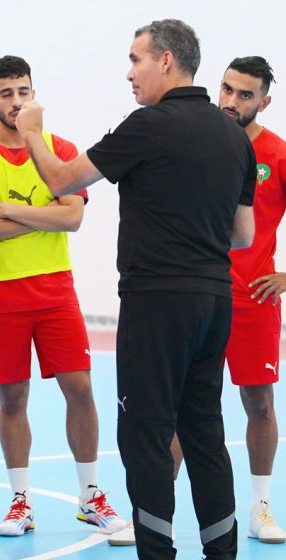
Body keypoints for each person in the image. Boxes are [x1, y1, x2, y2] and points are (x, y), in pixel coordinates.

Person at [15, 19, 256, 560]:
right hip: (214, 300)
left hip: (157, 303)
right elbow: (243, 235)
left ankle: (156, 553)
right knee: (204, 431)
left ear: (166, 61)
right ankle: (223, 554)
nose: (129, 73)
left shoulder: (147, 125)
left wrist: (31, 130)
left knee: (145, 434)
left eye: (135, 60)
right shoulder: (235, 138)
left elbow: (60, 180)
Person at [110, 55, 286, 549]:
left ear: (264, 102)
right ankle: (153, 512)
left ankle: (261, 506)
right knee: (184, 413)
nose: (231, 101)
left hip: (250, 299)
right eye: (227, 89)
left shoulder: (276, 153)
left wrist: (285, 277)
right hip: (199, 293)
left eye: (245, 94)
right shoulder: (202, 138)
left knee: (256, 404)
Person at [0, 55, 125, 538]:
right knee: (13, 397)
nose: (16, 101)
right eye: (6, 93)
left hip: (55, 290)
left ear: (35, 95)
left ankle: (91, 496)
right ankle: (20, 501)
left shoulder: (61, 149)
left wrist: (9, 210)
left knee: (80, 389)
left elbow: (71, 218)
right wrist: (41, 213)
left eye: (23, 92)